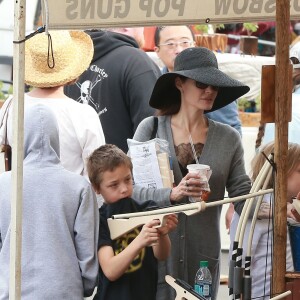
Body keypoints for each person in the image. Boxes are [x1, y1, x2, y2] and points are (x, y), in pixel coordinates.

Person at [132, 47, 251, 300]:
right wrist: (171, 194)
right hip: (156, 254)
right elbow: (129, 189)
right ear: (179, 83)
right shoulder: (151, 129)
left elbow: (242, 192)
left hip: (203, 259)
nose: (209, 91)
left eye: (215, 86)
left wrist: (271, 205)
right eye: (201, 83)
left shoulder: (228, 138)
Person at [0, 104, 99, 299]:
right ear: (56, 135)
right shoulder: (79, 187)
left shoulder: (3, 184)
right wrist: (84, 287)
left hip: (14, 291)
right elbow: (87, 253)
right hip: (65, 291)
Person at [0, 30, 105, 177]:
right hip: (70, 198)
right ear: (72, 72)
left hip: (19, 197)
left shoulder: (11, 106)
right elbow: (96, 174)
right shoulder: (84, 115)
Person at [86, 144, 178, 300]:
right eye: (113, 185)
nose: (123, 189)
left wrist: (163, 234)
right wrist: (140, 241)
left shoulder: (148, 208)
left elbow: (162, 254)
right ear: (96, 188)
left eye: (128, 180)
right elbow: (110, 270)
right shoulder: (99, 220)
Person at [65, 28, 160, 152]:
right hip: (127, 169)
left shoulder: (69, 66)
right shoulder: (137, 62)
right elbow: (153, 132)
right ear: (126, 27)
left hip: (77, 169)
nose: (144, 29)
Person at [229, 142, 300, 299]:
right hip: (258, 293)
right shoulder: (258, 205)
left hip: (284, 291)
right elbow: (241, 254)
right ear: (281, 172)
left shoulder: (288, 206)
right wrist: (239, 292)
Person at [154, 25, 243, 136]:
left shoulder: (211, 83)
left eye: (185, 42)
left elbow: (231, 133)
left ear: (194, 45)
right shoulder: (155, 83)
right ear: (157, 50)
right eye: (170, 44)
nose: (179, 50)